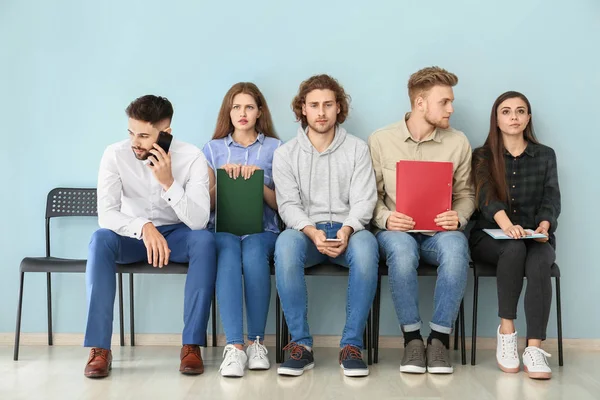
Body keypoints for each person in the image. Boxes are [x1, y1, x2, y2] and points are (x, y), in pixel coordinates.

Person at [84, 95, 216, 378]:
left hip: (176, 234)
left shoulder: (192, 157)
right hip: (131, 234)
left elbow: (198, 220)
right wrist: (143, 227)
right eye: (131, 132)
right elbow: (106, 215)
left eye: (144, 135)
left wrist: (168, 181)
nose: (135, 142)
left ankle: (191, 345)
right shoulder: (115, 154)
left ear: (166, 133)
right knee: (99, 240)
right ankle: (99, 348)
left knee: (205, 241)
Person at [368, 66, 475, 374]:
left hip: (439, 234)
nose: (451, 109)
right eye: (445, 102)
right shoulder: (380, 140)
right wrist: (387, 218)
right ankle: (413, 340)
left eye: (451, 101)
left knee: (456, 249)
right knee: (402, 252)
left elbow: (466, 194)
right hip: (395, 233)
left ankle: (439, 340)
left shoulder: (458, 142)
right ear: (420, 103)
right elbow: (368, 196)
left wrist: (460, 216)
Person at [273, 74, 378, 377]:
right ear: (302, 109)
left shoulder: (357, 149)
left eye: (328, 105)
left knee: (368, 248)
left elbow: (364, 201)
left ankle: (351, 346)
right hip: (307, 233)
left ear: (338, 108)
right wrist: (311, 231)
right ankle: (301, 345)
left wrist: (346, 229)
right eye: (314, 105)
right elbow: (288, 205)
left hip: (349, 231)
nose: (321, 112)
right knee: (285, 245)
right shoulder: (286, 154)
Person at [470, 91, 560, 380]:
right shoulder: (482, 155)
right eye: (506, 112)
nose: (514, 117)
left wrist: (545, 224)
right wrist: (506, 225)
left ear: (528, 118)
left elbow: (551, 197)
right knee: (514, 250)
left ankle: (534, 348)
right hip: (491, 235)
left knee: (538, 262)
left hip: (535, 235)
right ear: (496, 119)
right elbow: (485, 196)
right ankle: (507, 333)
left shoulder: (545, 155)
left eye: (520, 111)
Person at [202, 82, 282, 377]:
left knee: (252, 255)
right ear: (228, 112)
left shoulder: (276, 148)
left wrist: (257, 184)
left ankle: (256, 342)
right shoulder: (212, 149)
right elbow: (205, 206)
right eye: (236, 107)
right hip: (223, 229)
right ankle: (235, 347)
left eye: (249, 106)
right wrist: (220, 182)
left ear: (259, 111)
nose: (242, 113)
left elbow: (282, 205)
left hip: (263, 231)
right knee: (227, 253)